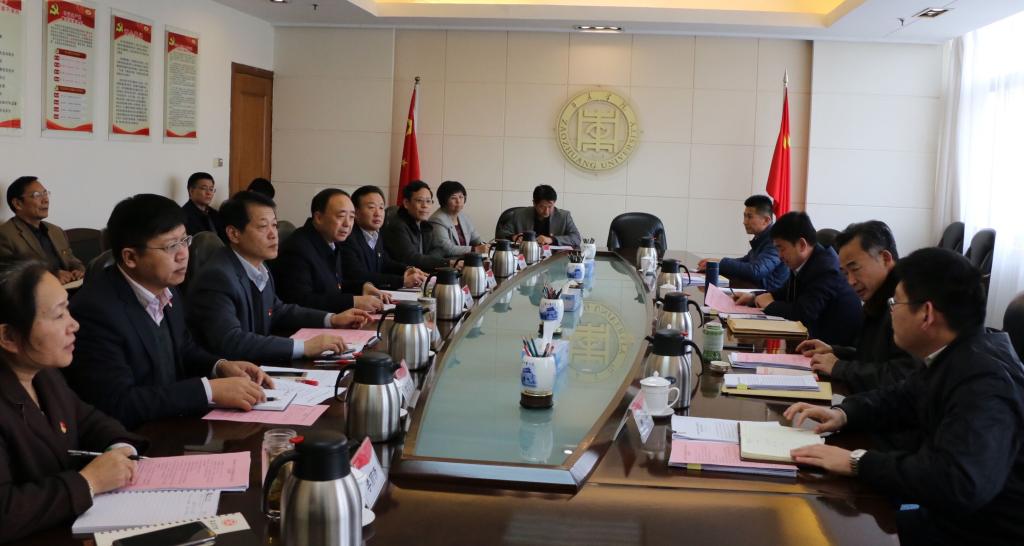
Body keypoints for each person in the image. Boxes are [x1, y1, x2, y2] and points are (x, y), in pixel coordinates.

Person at [786, 248, 1024, 545]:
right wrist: (843, 413)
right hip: (950, 519)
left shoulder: (985, 381)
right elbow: (899, 398)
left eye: (895, 302)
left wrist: (857, 462)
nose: (891, 311)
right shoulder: (957, 354)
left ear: (926, 314)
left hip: (982, 532)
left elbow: (958, 482)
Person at [66, 194, 272, 429]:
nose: (183, 254)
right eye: (171, 246)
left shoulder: (166, 288)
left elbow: (183, 348)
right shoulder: (95, 312)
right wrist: (207, 390)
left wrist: (220, 366)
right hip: (133, 439)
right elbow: (119, 403)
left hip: (172, 424)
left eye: (184, 240)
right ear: (130, 257)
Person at [0, 261, 147, 542]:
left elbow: (88, 420)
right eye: (58, 315)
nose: (74, 324)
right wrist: (89, 481)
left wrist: (120, 448)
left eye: (68, 308)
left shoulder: (44, 373)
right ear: (8, 336)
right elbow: (5, 512)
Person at [188, 191, 372, 362]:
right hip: (230, 376)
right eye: (263, 226)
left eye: (274, 225)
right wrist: (304, 347)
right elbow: (231, 341)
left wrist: (332, 319)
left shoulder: (261, 267)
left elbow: (278, 311)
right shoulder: (217, 277)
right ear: (234, 234)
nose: (273, 235)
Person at [796, 220, 917, 392]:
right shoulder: (877, 297)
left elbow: (902, 375)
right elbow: (873, 359)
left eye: (855, 268)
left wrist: (840, 367)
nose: (851, 281)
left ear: (885, 258)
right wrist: (834, 351)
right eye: (845, 273)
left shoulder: (906, 303)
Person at [734, 211, 862, 345]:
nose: (779, 256)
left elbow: (803, 314)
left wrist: (770, 305)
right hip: (812, 340)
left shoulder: (826, 269)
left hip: (835, 347)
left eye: (781, 248)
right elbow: (785, 293)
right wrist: (754, 297)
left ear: (801, 245)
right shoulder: (806, 261)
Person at [273, 188, 393, 313]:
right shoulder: (298, 249)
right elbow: (301, 301)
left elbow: (333, 286)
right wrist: (353, 301)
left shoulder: (330, 241)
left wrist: (362, 287)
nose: (347, 224)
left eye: (351, 217)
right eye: (341, 216)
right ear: (319, 217)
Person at [0, 176, 84, 283]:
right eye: (37, 195)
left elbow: (71, 260)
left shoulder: (56, 231)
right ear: (18, 203)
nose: (45, 200)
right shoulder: (5, 235)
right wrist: (51, 277)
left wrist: (78, 270)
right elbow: (8, 278)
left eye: (45, 193)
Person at [341, 185, 426, 290]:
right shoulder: (347, 237)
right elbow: (357, 275)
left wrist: (406, 269)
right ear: (356, 212)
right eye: (371, 207)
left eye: (381, 208)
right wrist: (402, 281)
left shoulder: (376, 233)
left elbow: (384, 262)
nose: (378, 213)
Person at [698, 195, 788, 291]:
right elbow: (745, 261)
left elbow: (756, 271)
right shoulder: (762, 237)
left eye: (749, 217)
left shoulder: (775, 241)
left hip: (768, 296)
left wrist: (720, 263)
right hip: (754, 290)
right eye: (744, 216)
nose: (744, 222)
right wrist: (716, 263)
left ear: (766, 220)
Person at [382, 181, 450, 271]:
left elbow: (439, 248)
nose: (425, 206)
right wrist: (448, 263)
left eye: (428, 201)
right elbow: (411, 258)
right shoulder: (398, 226)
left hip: (421, 273)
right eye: (419, 201)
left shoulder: (424, 224)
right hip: (402, 275)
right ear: (406, 203)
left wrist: (427, 260)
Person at [495, 184, 581, 247]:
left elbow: (576, 238)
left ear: (554, 203)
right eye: (542, 207)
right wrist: (513, 237)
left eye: (550, 207)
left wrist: (552, 239)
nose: (546, 211)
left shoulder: (564, 216)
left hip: (553, 258)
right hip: (525, 257)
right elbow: (501, 234)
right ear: (534, 203)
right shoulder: (519, 214)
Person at [429, 180, 489, 258]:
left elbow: (476, 238)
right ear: (444, 200)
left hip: (462, 261)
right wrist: (475, 249)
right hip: (444, 263)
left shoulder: (464, 217)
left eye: (461, 197)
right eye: (453, 198)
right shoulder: (437, 219)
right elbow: (447, 248)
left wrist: (484, 246)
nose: (458, 201)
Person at [181, 171, 226, 242]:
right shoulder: (183, 216)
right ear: (191, 191)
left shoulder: (215, 214)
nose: (209, 193)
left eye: (211, 189)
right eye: (203, 188)